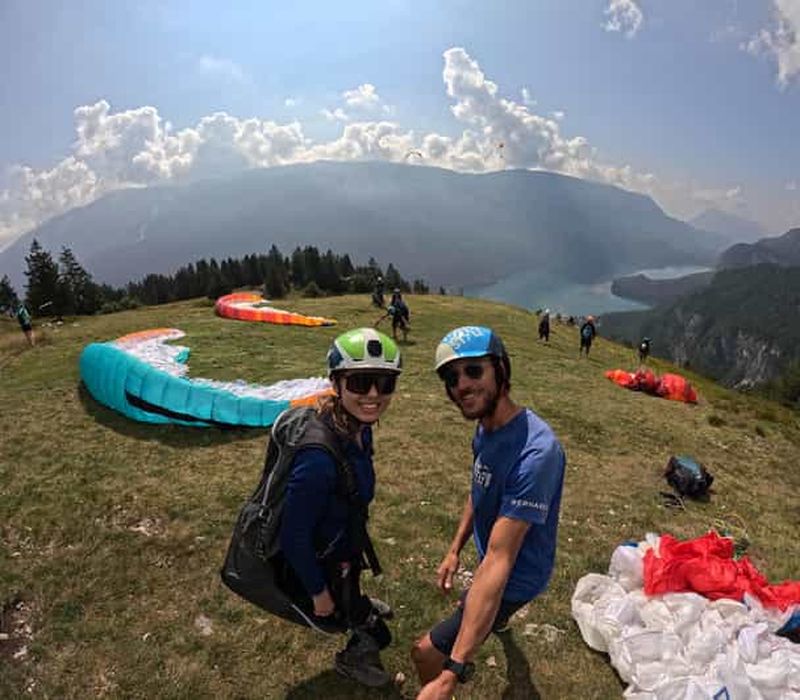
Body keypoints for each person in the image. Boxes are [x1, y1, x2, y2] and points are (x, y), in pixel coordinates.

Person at [410, 326, 566, 699]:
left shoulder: (537, 453)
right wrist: (454, 549)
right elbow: (480, 488)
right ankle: (492, 621)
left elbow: (500, 558)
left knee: (424, 653)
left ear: (501, 370)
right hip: (493, 564)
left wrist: (452, 671)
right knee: (483, 613)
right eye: (452, 377)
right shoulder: (485, 430)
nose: (462, 384)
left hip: (516, 577)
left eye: (474, 371)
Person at [278, 328, 402, 687]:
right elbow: (293, 534)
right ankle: (355, 654)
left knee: (351, 592)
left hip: (345, 541)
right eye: (361, 382)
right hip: (326, 557)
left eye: (385, 383)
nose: (374, 395)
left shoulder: (358, 428)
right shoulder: (318, 457)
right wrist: (318, 591)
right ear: (336, 383)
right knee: (380, 635)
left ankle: (356, 601)